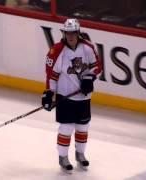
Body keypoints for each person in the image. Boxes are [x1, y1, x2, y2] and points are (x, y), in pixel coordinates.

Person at [41, 18, 102, 172]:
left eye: (73, 32)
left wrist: (89, 78)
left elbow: (98, 66)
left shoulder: (87, 47)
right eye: (67, 32)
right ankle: (63, 158)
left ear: (78, 32)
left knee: (83, 126)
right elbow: (51, 75)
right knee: (66, 128)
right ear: (64, 33)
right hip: (65, 96)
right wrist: (49, 93)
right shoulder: (57, 51)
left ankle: (80, 154)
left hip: (83, 97)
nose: (71, 36)